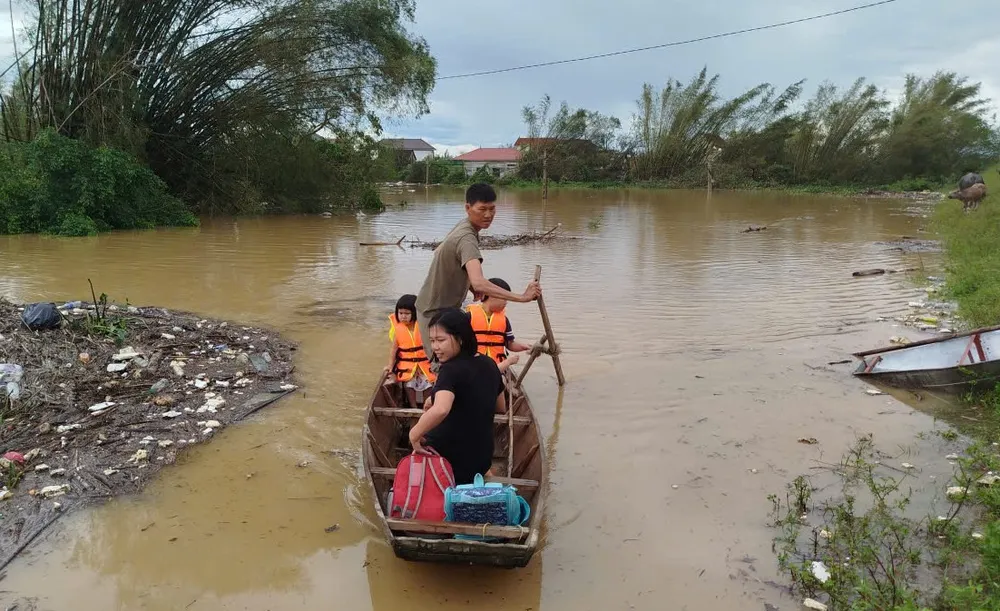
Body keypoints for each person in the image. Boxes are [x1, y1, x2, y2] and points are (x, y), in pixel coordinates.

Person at [414, 183, 542, 367]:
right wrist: (522, 297)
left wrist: (470, 286)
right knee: (445, 369)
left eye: (492, 209)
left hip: (446, 310)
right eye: (482, 209)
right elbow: (480, 282)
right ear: (468, 208)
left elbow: (442, 253)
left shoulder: (465, 227)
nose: (488, 215)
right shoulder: (467, 238)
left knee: (464, 361)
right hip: (433, 313)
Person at [408, 308, 505, 485]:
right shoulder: (490, 364)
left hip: (449, 462)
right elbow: (501, 407)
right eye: (432, 341)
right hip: (481, 459)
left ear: (460, 338)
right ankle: (487, 475)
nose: (435, 347)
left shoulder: (450, 370)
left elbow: (441, 409)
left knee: (418, 442)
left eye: (441, 340)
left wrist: (414, 435)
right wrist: (435, 398)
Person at [466, 277, 532, 373]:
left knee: (501, 382)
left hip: (497, 366)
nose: (506, 302)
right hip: (473, 367)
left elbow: (510, 344)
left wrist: (525, 347)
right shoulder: (468, 317)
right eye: (504, 298)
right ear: (492, 295)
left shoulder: (504, 320)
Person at [384, 294, 435, 409]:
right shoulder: (398, 330)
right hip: (408, 366)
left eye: (407, 314)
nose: (403, 317)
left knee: (428, 384)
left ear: (415, 313)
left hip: (424, 365)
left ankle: (427, 407)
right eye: (400, 313)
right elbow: (394, 350)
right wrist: (390, 366)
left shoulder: (423, 327)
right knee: (409, 384)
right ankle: (413, 407)